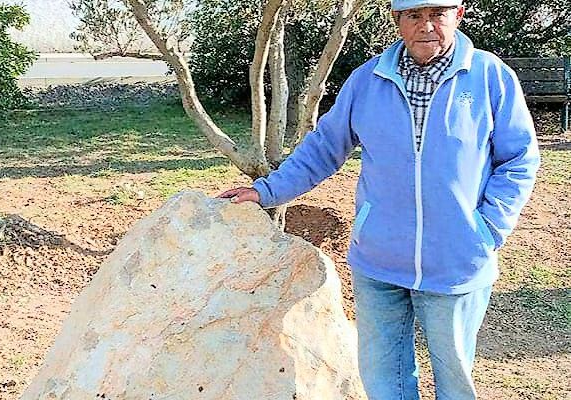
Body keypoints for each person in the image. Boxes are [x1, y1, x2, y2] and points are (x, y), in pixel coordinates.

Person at [218, 0, 540, 398]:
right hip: (378, 263)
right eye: (413, 15)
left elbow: (519, 158)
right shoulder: (368, 80)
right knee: (384, 381)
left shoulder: (490, 77)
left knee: (455, 383)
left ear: (457, 15)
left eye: (437, 14)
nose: (426, 26)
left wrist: (486, 229)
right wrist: (265, 191)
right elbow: (323, 149)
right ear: (397, 21)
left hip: (456, 261)